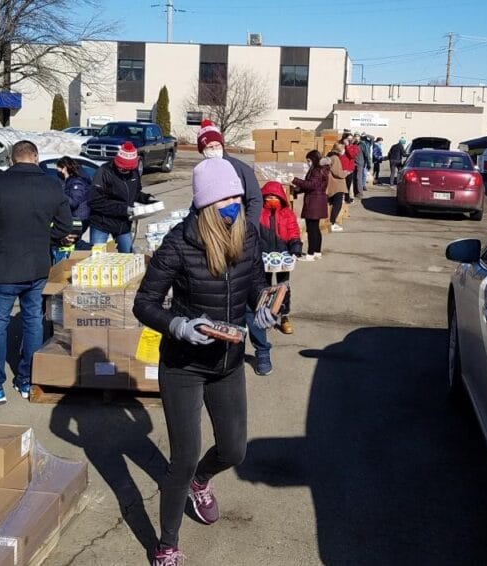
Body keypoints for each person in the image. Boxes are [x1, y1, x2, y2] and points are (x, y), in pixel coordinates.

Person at [132, 158, 276, 566]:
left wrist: (265, 308)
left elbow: (255, 286)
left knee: (234, 451)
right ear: (208, 204)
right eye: (227, 199)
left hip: (227, 362)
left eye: (238, 197)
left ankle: (202, 480)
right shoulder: (179, 244)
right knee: (183, 456)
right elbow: (143, 303)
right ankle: (166, 544)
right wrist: (177, 325)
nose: (236, 205)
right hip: (184, 365)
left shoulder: (248, 237)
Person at [0, 140, 73, 404]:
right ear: (36, 158)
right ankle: (27, 380)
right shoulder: (52, 184)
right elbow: (66, 225)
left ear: (12, 160)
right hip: (38, 266)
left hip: (5, 265)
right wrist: (48, 240)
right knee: (33, 322)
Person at [246, 181, 302, 375]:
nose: (271, 200)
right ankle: (267, 317)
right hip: (263, 259)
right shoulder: (258, 213)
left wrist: (295, 245)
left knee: (283, 288)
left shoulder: (287, 214)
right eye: (268, 197)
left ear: (281, 199)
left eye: (275, 197)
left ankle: (284, 316)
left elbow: (294, 231)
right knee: (265, 290)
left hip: (283, 257)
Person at [88, 142, 153, 252]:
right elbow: (94, 201)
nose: (124, 171)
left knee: (127, 256)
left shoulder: (134, 173)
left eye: (128, 169)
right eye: (122, 168)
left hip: (123, 224)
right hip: (102, 223)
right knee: (96, 258)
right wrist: (125, 209)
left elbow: (135, 193)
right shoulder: (103, 172)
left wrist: (147, 199)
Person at [196, 119, 263, 223]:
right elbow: (198, 201)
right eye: (209, 147)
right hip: (212, 227)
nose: (214, 149)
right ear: (202, 151)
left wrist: (250, 226)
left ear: (222, 145)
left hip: (239, 225)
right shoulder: (201, 172)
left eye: (217, 145)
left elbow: (255, 199)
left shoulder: (241, 168)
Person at [290, 150, 329, 260]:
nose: (308, 163)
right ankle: (317, 251)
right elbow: (310, 185)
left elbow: (312, 185)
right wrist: (296, 189)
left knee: (311, 229)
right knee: (315, 228)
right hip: (318, 200)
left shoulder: (316, 170)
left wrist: (295, 180)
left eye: (308, 161)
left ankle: (310, 254)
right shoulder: (322, 170)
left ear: (314, 160)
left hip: (313, 202)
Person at [59, 156, 93, 250]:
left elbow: (74, 202)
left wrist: (59, 194)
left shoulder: (76, 182)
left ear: (64, 168)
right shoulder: (69, 181)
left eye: (58, 169)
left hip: (79, 218)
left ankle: (90, 250)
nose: (57, 172)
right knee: (72, 243)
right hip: (76, 218)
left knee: (73, 243)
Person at [326, 144, 350, 231]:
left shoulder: (330, 156)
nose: (344, 150)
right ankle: (332, 222)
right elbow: (337, 172)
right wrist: (345, 173)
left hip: (333, 183)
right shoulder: (335, 158)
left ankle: (330, 221)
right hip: (337, 184)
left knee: (332, 203)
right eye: (343, 149)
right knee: (337, 204)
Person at [342, 137, 358, 202]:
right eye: (348, 139)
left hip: (349, 168)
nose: (348, 140)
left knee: (348, 184)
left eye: (350, 140)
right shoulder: (342, 146)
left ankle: (347, 197)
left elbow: (352, 155)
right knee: (343, 184)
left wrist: (348, 146)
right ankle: (345, 197)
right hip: (342, 167)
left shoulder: (355, 147)